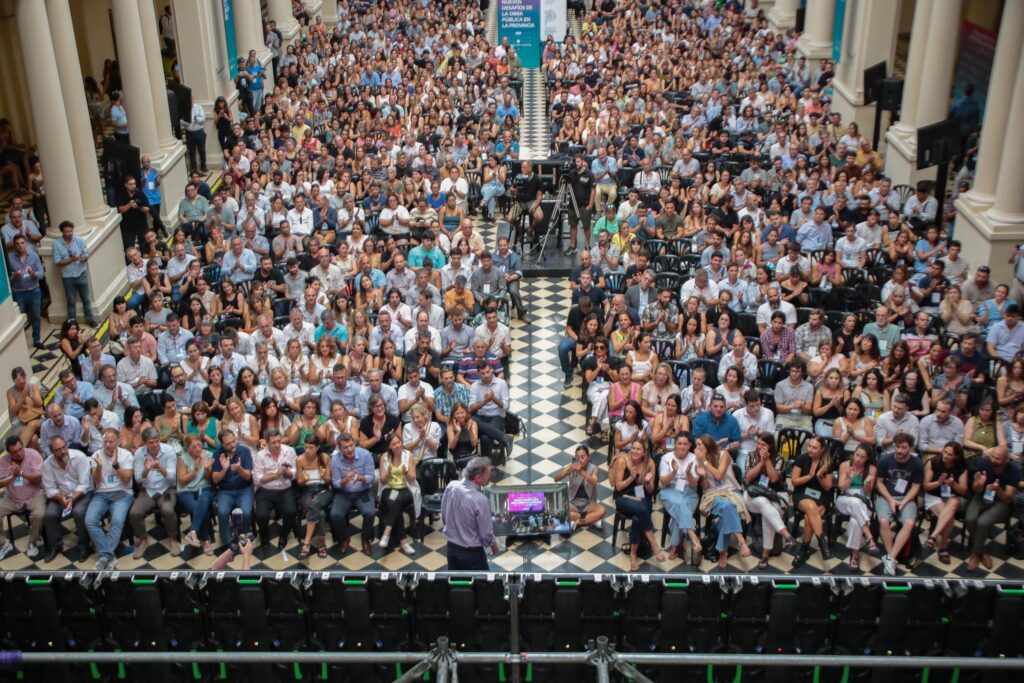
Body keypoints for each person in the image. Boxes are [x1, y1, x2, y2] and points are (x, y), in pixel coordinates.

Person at [610, 440, 665, 571]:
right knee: (643, 510)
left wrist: (647, 482)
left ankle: (633, 554)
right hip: (624, 497)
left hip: (642, 496)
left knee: (637, 518)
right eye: (633, 448)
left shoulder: (649, 464)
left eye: (638, 449)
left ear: (644, 452)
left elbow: (651, 491)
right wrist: (631, 478)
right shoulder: (623, 461)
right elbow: (618, 486)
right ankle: (654, 545)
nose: (634, 451)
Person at [85, 428, 135, 570]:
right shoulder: (96, 455)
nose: (107, 445)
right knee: (89, 520)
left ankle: (104, 556)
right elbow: (96, 480)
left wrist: (116, 465)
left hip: (122, 493)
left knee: (117, 520)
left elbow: (126, 480)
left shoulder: (126, 455)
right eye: (105, 441)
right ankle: (108, 555)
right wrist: (99, 466)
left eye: (111, 442)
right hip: (101, 493)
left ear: (117, 441)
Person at [875, 433, 924, 576]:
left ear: (911, 448)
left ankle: (891, 558)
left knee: (909, 524)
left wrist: (903, 502)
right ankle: (892, 557)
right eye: (898, 447)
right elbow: (879, 483)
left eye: (904, 447)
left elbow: (915, 487)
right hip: (886, 496)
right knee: (884, 522)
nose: (900, 451)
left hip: (906, 498)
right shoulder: (885, 460)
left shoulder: (917, 464)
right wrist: (890, 500)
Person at [128, 427, 180, 559]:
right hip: (148, 490)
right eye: (151, 442)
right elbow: (139, 478)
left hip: (166, 488)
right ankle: (143, 540)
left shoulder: (168, 450)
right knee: (134, 513)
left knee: (168, 510)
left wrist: (159, 468)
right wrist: (146, 470)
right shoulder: (139, 454)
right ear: (145, 442)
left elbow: (172, 477)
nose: (155, 445)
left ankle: (173, 539)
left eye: (157, 441)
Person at [966, 446, 1019, 573]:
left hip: (1001, 503)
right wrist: (978, 484)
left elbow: (1008, 498)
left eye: (997, 458)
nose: (993, 460)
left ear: (1006, 460)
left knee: (983, 522)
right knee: (970, 519)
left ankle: (975, 555)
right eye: (992, 456)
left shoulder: (1013, 471)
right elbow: (975, 490)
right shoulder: (984, 463)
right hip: (981, 497)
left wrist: (998, 490)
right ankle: (982, 550)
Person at [441, 455, 498, 570]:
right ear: (477, 478)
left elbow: (444, 514)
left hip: (451, 548)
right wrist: (493, 545)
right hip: (472, 554)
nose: (489, 477)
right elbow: (485, 533)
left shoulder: (451, 486)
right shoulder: (480, 500)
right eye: (487, 475)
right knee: (481, 585)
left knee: (456, 584)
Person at [40, 436, 92, 563]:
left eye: (64, 447)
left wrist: (73, 498)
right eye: (58, 449)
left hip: (81, 493)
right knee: (49, 514)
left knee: (78, 512)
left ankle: (84, 546)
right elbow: (50, 488)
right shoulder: (47, 464)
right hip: (61, 495)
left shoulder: (79, 457)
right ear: (51, 451)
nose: (63, 451)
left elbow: (84, 484)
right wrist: (61, 497)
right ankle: (55, 546)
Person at [329, 433, 377, 556]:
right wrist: (344, 480)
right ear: (340, 449)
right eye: (346, 447)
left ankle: (366, 539)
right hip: (344, 493)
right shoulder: (335, 459)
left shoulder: (365, 455)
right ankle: (345, 538)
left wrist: (360, 478)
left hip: (363, 491)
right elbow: (335, 483)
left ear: (354, 443)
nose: (350, 449)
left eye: (351, 445)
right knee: (335, 515)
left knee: (370, 513)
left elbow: (372, 477)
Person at [790, 435, 834, 566]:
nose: (810, 449)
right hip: (802, 493)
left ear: (822, 449)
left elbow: (827, 487)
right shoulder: (801, 459)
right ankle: (822, 541)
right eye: (809, 446)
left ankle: (803, 549)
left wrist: (820, 476)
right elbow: (794, 482)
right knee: (810, 506)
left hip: (821, 496)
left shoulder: (827, 463)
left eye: (814, 448)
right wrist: (809, 476)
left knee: (809, 516)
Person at [834, 443, 879, 572]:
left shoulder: (871, 469)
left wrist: (867, 484)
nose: (858, 459)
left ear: (867, 458)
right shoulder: (845, 465)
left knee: (855, 520)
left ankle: (854, 555)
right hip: (845, 498)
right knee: (854, 502)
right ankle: (870, 537)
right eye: (857, 455)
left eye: (862, 457)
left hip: (863, 499)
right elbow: (842, 487)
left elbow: (868, 492)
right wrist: (850, 477)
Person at [0, 435, 46, 560]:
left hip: (34, 494)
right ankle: (4, 543)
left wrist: (20, 473)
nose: (19, 453)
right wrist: (12, 477)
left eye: (21, 449)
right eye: (14, 452)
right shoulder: (3, 461)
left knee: (39, 514)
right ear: (8, 453)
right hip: (13, 497)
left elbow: (38, 477)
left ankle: (32, 541)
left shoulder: (33, 454)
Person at [922, 441, 968, 565]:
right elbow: (925, 486)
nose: (946, 456)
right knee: (950, 518)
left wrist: (954, 484)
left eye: (950, 454)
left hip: (954, 497)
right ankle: (943, 547)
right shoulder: (933, 462)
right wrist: (938, 483)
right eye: (945, 452)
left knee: (952, 503)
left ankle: (933, 536)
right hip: (935, 496)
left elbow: (963, 491)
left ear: (956, 457)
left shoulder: (961, 467)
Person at [252, 429, 298, 549]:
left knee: (291, 512)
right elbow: (258, 479)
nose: (277, 445)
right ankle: (264, 535)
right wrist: (275, 475)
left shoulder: (289, 451)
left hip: (285, 489)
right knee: (261, 515)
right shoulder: (260, 456)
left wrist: (288, 473)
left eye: (279, 441)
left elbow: (295, 471)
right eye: (273, 442)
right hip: (266, 491)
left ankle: (284, 534)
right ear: (267, 442)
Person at [211, 429, 254, 547]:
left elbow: (247, 476)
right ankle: (228, 542)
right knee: (222, 512)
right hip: (226, 490)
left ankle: (243, 536)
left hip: (244, 489)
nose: (232, 445)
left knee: (246, 513)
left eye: (233, 441)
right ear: (222, 444)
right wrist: (224, 469)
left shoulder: (244, 451)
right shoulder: (217, 454)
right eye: (228, 443)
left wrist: (239, 469)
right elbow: (215, 479)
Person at [377, 432, 419, 555]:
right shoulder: (384, 457)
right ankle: (403, 542)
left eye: (399, 442)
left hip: (406, 488)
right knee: (395, 503)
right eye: (393, 444)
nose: (397, 446)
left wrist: (406, 473)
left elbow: (412, 479)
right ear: (389, 446)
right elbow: (382, 480)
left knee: (396, 501)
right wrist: (389, 473)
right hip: (388, 488)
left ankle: (387, 532)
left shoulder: (408, 455)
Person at [52, 220, 97, 326]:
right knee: (71, 301)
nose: (70, 233)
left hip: (81, 274)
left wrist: (83, 258)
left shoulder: (79, 240)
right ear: (62, 232)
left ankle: (90, 319)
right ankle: (71, 323)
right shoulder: (56, 244)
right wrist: (72, 259)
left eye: (71, 231)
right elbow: (58, 262)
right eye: (67, 231)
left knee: (86, 299)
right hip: (68, 277)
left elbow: (86, 253)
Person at [176, 435, 215, 556]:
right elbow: (182, 480)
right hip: (186, 490)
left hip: (204, 487)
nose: (198, 448)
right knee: (198, 508)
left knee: (202, 502)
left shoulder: (208, 455)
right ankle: (204, 539)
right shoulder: (182, 458)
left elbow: (210, 479)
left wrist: (208, 470)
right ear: (188, 449)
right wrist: (196, 469)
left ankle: (194, 532)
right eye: (194, 447)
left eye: (199, 445)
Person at [554, 445, 606, 531]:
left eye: (583, 457)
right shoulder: (571, 467)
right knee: (558, 511)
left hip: (589, 504)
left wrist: (581, 471)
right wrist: (566, 472)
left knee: (602, 510)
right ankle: (592, 519)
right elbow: (556, 479)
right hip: (573, 503)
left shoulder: (594, 468)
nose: (580, 459)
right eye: (577, 457)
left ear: (588, 457)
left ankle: (576, 522)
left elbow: (594, 481)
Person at [8, 234, 45, 349]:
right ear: (14, 245)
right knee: (20, 319)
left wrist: (33, 274)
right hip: (19, 292)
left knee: (36, 316)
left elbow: (41, 274)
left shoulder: (33, 256)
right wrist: (15, 275)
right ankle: (20, 343)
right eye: (18, 244)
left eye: (22, 243)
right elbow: (7, 277)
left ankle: (37, 340)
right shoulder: (9, 258)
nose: (20, 246)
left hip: (34, 291)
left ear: (26, 243)